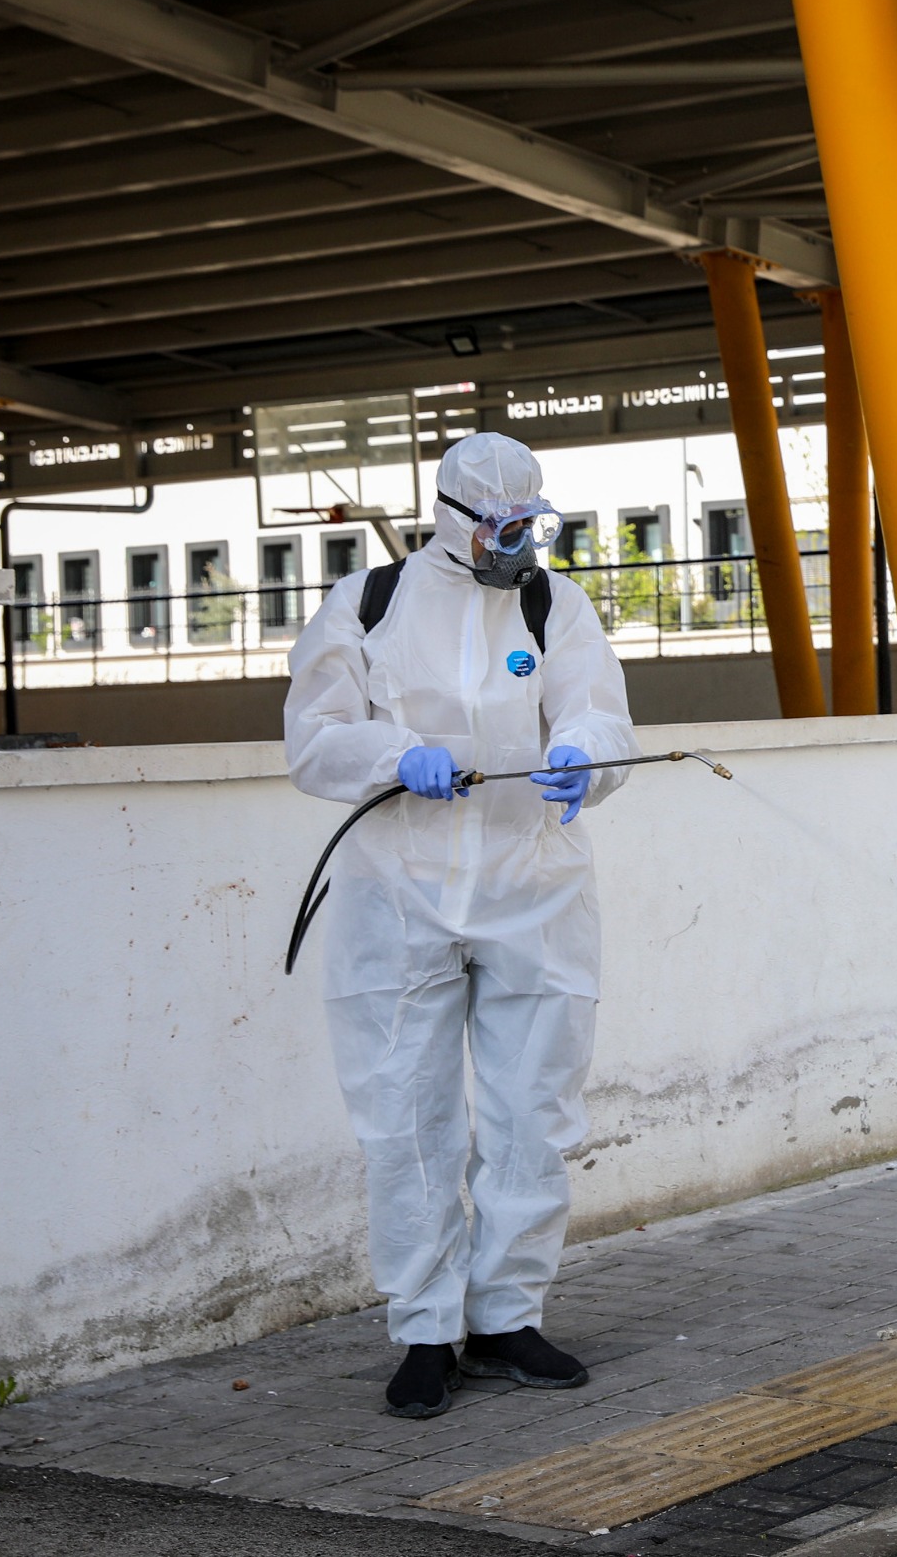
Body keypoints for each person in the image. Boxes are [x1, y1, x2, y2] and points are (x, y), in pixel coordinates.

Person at [284, 433, 639, 1419]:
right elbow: (310, 739)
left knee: (534, 1111)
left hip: (535, 886)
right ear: (448, 514)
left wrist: (581, 753)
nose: (514, 540)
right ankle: (425, 1328)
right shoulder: (368, 605)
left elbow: (603, 715)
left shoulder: (552, 603)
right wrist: (395, 753)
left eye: (528, 522)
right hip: (399, 894)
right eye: (498, 524)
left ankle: (506, 1316)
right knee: (406, 1113)